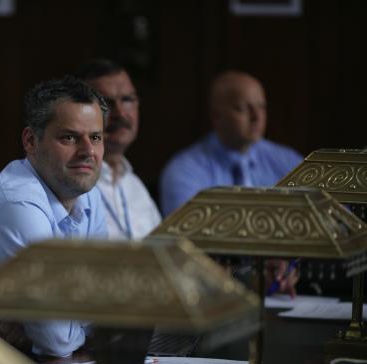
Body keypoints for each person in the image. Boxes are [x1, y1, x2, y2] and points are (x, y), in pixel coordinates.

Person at [0, 76, 108, 358]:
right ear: (30, 141)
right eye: (69, 137)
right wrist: (74, 325)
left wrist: (49, 323)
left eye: (95, 137)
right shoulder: (18, 204)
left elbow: (106, 305)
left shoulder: (89, 193)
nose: (88, 152)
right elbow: (56, 340)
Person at [159, 70, 303, 216]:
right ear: (216, 115)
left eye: (261, 107)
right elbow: (185, 230)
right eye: (242, 108)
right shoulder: (184, 170)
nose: (256, 117)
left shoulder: (288, 161)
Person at [76, 59, 161, 240]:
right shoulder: (72, 185)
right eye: (106, 103)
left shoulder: (135, 186)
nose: (121, 113)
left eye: (127, 99)